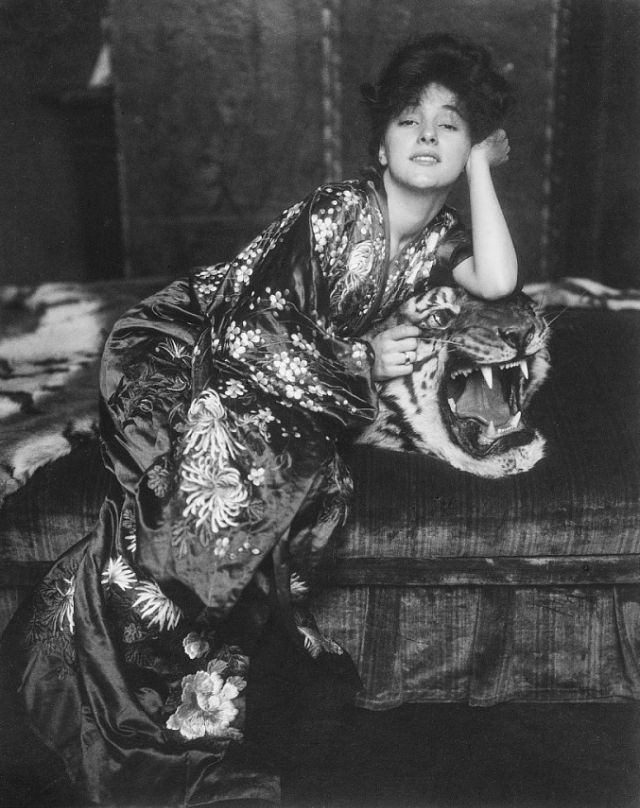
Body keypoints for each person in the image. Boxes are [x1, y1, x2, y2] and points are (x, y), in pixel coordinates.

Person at [0, 32, 517, 808]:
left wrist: (479, 169)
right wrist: (362, 358)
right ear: (379, 143)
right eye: (409, 120)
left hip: (301, 389)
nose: (427, 136)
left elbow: (499, 278)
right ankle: (71, 681)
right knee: (222, 499)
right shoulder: (342, 211)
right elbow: (253, 327)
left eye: (451, 125)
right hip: (206, 354)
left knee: (299, 492)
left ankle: (193, 701)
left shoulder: (440, 238)